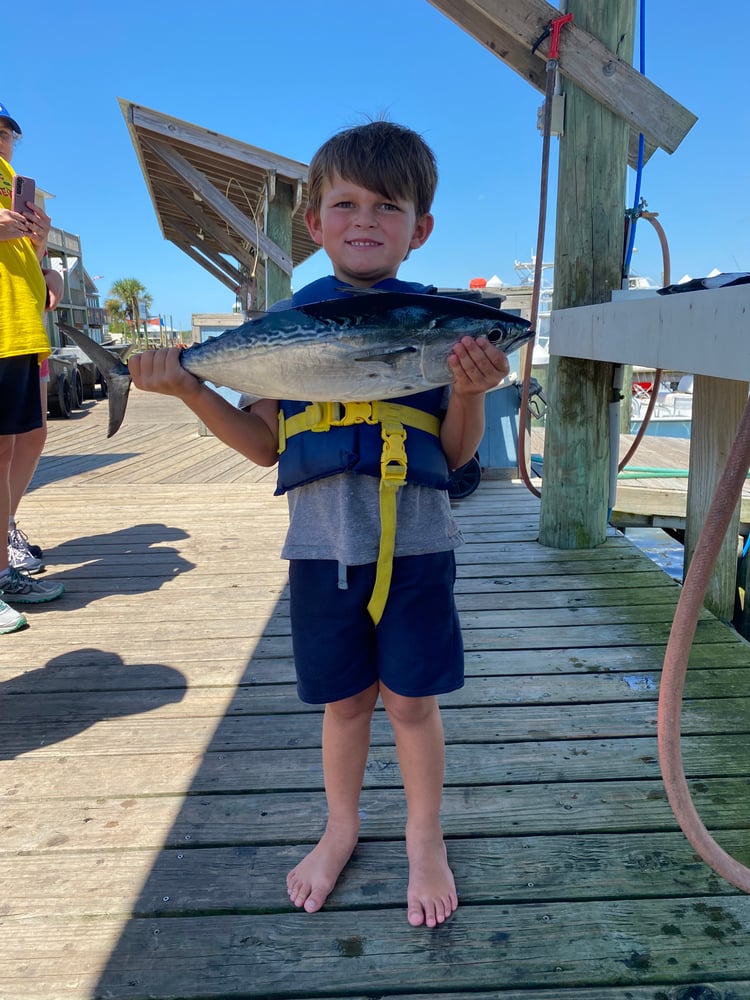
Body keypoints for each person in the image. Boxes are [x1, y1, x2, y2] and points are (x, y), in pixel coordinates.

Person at [130, 120, 509, 927]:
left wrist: (471, 391)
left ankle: (424, 833)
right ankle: (341, 826)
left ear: (420, 228)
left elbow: (456, 452)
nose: (365, 220)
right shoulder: (282, 327)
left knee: (411, 704)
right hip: (319, 551)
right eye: (345, 203)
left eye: (387, 206)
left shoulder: (439, 324)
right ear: (315, 223)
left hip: (418, 548)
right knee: (345, 705)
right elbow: (266, 446)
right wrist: (193, 389)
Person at [0, 101, 65, 633]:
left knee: (21, 440)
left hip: (22, 328)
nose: (2, 138)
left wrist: (43, 255)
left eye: (8, 132)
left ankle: (2, 563)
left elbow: (29, 259)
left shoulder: (13, 181)